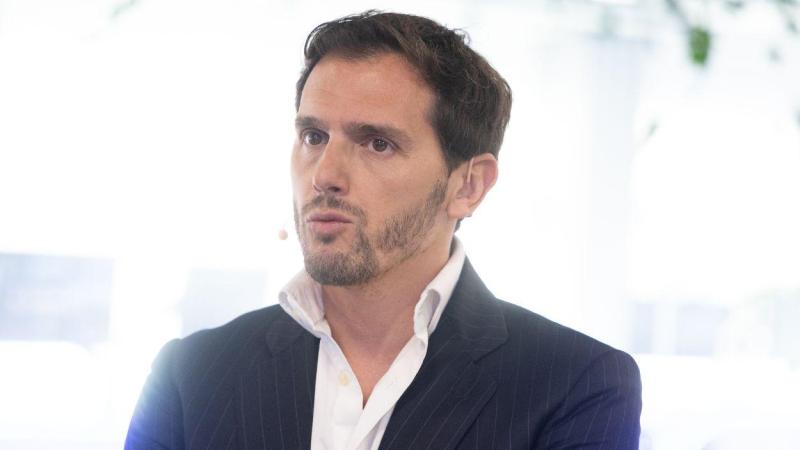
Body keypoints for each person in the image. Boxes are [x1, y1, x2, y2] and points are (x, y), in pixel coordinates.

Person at [126, 10, 642, 450]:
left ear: (467, 185)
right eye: (313, 136)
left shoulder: (576, 385)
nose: (325, 174)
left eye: (377, 143)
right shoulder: (191, 373)